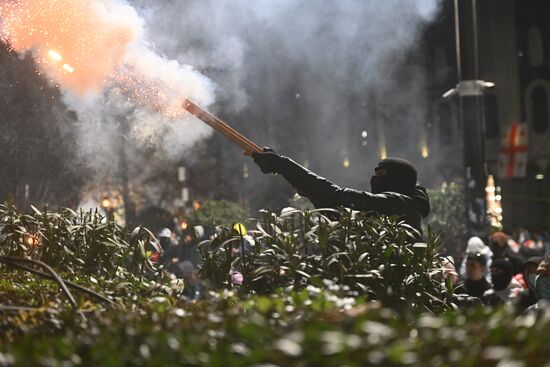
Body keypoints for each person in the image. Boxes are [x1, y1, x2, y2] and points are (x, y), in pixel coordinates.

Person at [252, 149, 430, 234]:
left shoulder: (400, 204)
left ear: (398, 179)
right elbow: (335, 210)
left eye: (382, 175)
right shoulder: (401, 207)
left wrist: (282, 165)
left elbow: (336, 197)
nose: (375, 180)